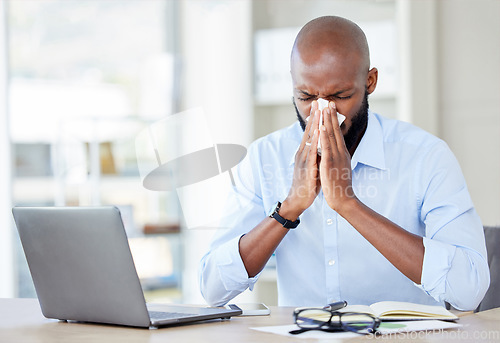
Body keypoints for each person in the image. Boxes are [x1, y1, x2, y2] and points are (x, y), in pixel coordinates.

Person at [198, 16, 490, 310]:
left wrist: (349, 204)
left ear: (370, 82)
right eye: (306, 96)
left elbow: (468, 291)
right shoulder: (264, 157)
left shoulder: (425, 156)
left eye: (340, 96)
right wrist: (289, 208)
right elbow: (213, 289)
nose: (321, 112)